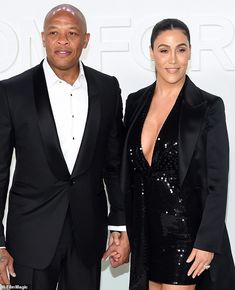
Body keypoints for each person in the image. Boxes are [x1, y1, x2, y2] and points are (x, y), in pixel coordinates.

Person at [0, 4, 129, 290]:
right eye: (54, 33)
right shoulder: (11, 91)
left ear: (86, 39)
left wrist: (120, 225)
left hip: (88, 236)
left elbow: (114, 163)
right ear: (43, 38)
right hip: (30, 238)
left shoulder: (107, 88)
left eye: (72, 33)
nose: (63, 40)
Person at [121, 18, 235, 290]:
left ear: (190, 52)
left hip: (186, 234)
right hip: (146, 234)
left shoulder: (207, 106)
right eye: (163, 50)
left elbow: (218, 183)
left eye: (181, 49)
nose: (173, 59)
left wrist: (207, 243)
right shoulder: (135, 102)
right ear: (151, 53)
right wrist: (124, 230)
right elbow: (130, 175)